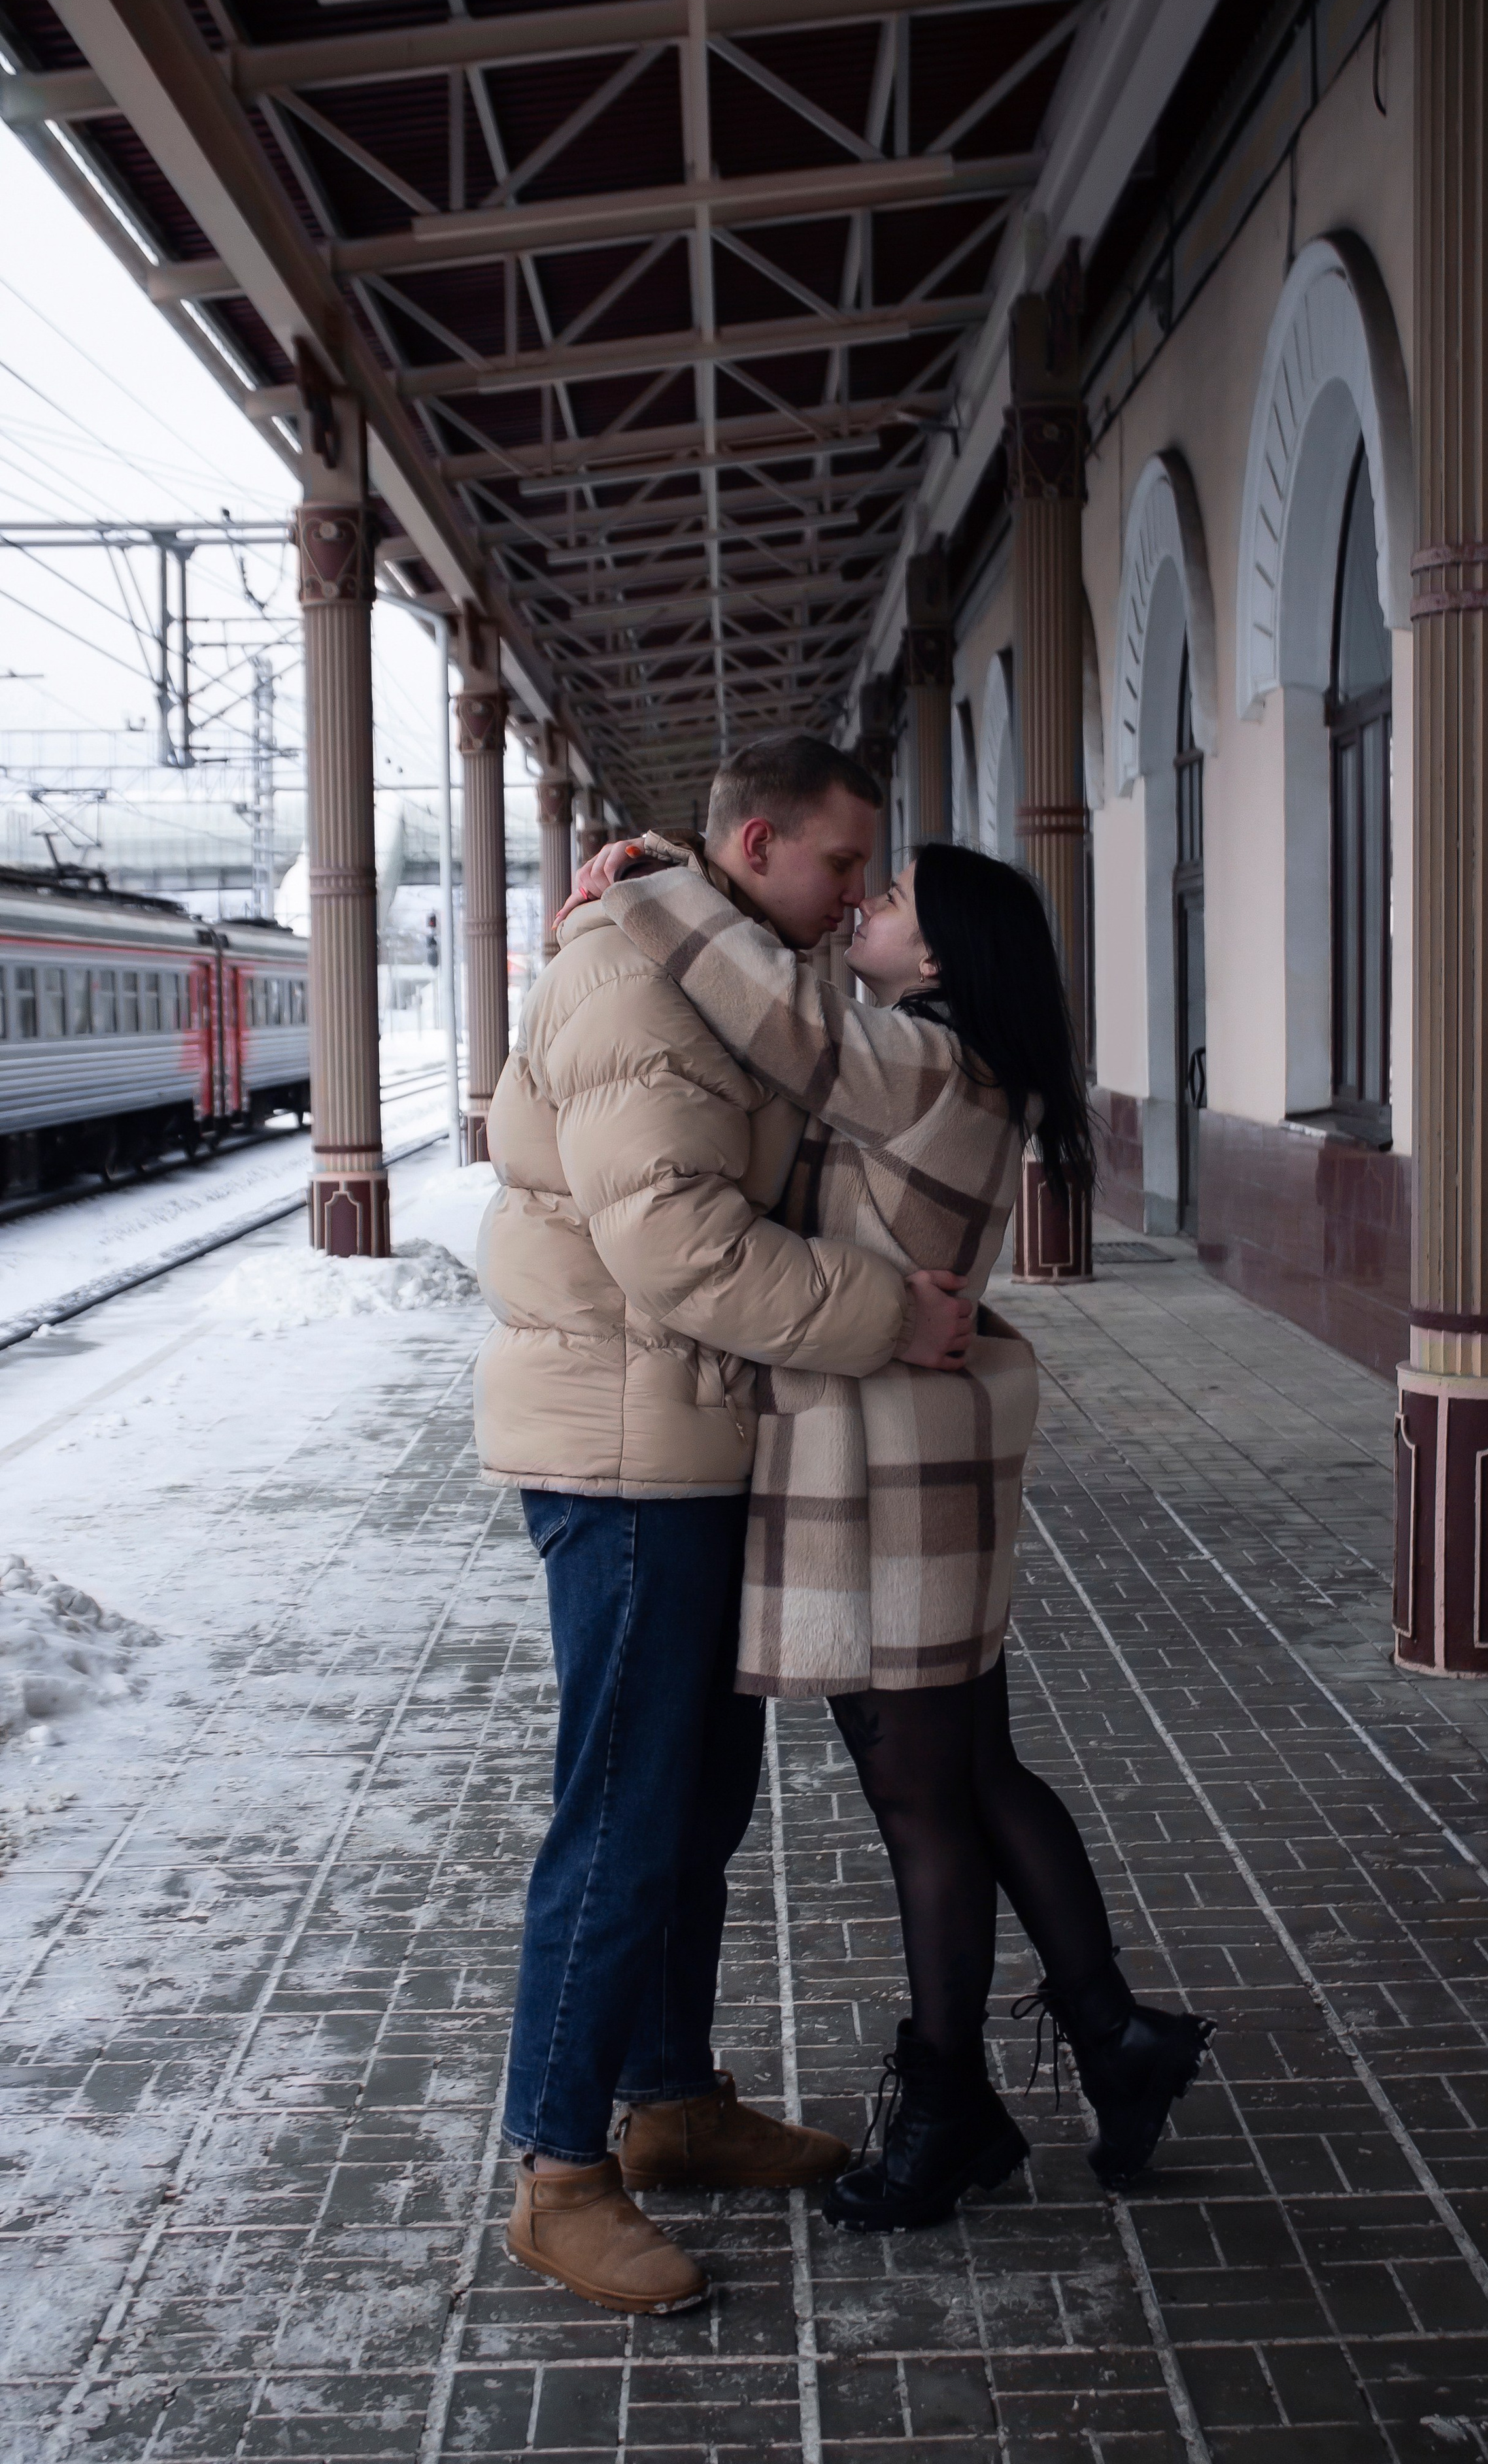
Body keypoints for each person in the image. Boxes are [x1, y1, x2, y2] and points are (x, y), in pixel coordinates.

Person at [569, 825, 1217, 2232]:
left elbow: (770, 1007)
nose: (865, 904)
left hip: (889, 1487)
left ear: (938, 955)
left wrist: (649, 884)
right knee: (974, 1770)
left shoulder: (914, 1060)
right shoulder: (950, 1062)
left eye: (897, 895)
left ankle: (950, 2107)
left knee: (924, 1798)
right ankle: (1112, 2037)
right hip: (924, 1473)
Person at [474, 736, 975, 2316]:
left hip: (688, 1434)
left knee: (697, 1798)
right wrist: (894, 1315)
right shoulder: (638, 983)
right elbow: (681, 1245)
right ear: (756, 845)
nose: (854, 897)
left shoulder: (722, 954)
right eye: (840, 867)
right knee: (622, 1817)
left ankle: (673, 2104)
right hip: (626, 1447)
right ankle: (559, 2175)